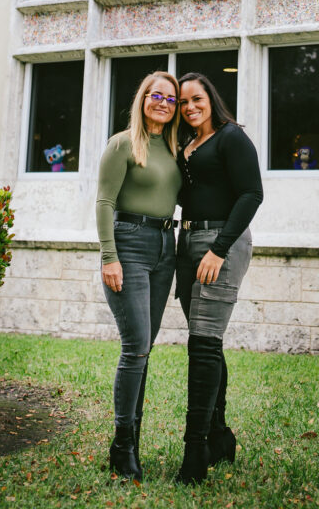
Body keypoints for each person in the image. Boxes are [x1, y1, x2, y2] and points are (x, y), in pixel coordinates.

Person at [174, 72, 264, 484]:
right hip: (186, 241)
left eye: (197, 99)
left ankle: (195, 455)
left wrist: (218, 248)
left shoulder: (231, 137)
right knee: (207, 343)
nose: (190, 107)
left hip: (219, 243)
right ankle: (220, 436)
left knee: (203, 345)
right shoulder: (185, 146)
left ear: (210, 98)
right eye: (183, 102)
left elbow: (251, 194)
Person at [96, 72, 181, 481]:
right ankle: (122, 445)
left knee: (145, 348)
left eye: (171, 97)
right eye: (155, 95)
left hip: (167, 248)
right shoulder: (123, 144)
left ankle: (133, 438)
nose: (163, 102)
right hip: (128, 245)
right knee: (135, 348)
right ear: (143, 98)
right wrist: (108, 256)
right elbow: (104, 202)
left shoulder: (174, 147)